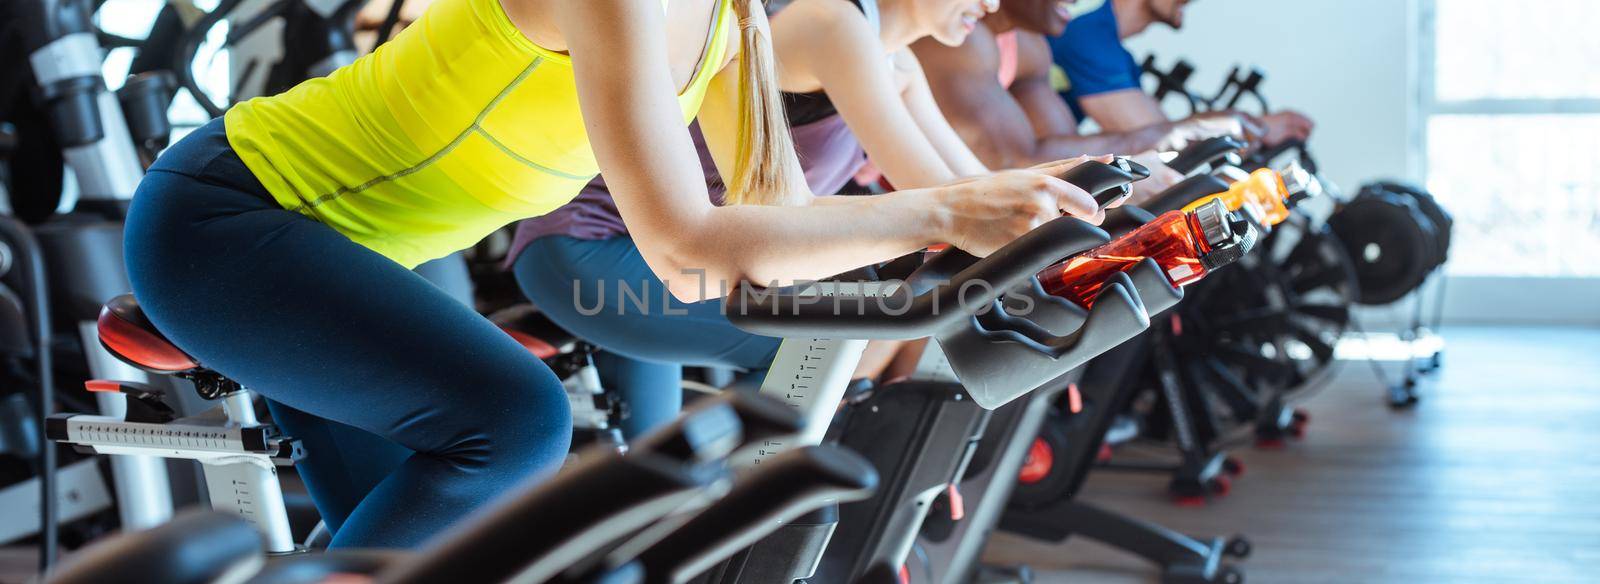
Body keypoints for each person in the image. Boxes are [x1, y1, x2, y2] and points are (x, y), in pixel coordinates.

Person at [122, 0, 1101, 548]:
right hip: (232, 219)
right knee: (515, 422)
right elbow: (684, 245)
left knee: (428, 557)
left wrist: (1062, 210)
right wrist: (941, 213)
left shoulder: (728, 26)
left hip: (337, 262)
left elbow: (774, 223)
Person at [510, 0, 1013, 439]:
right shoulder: (833, 23)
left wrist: (1080, 194)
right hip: (594, 249)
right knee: (824, 340)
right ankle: (742, 526)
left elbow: (971, 189)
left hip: (685, 260)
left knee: (643, 467)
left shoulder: (896, 61)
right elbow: (937, 196)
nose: (992, 5)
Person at [911, 0, 1255, 204]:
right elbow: (1014, 160)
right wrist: (1163, 138)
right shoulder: (962, 38)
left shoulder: (1030, 46)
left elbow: (1057, 147)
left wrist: (1132, 171)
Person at [1050, 0, 1313, 146]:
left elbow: (1162, 129)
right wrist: (1259, 127)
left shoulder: (1120, 56)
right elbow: (1164, 143)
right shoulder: (1088, 32)